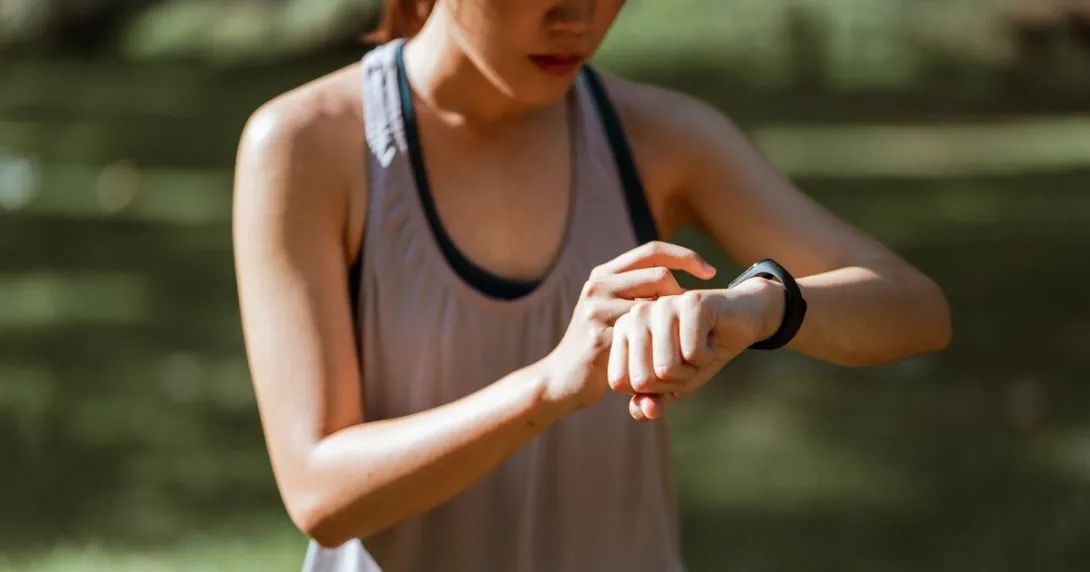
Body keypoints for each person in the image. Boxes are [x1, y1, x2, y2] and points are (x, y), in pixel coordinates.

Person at [231, 1, 953, 570]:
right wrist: (552, 383)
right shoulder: (309, 145)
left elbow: (915, 309)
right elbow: (320, 492)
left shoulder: (658, 137)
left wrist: (761, 305)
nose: (580, 17)